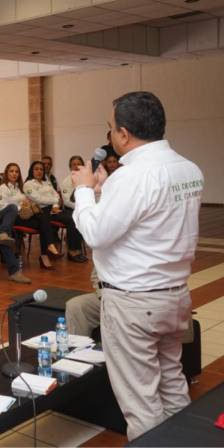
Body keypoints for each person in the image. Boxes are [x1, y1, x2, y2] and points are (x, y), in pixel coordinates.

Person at [71, 91, 203, 440]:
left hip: (134, 303)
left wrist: (84, 191)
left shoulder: (131, 177)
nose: (111, 134)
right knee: (172, 383)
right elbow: (145, 221)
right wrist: (105, 192)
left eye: (111, 127)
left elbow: (96, 233)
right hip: (174, 296)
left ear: (124, 133)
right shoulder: (188, 169)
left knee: (141, 403)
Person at [0, 162, 61, 270]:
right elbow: (3, 207)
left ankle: (46, 253)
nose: (14, 174)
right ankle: (48, 250)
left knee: (43, 221)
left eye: (17, 172)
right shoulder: (3, 188)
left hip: (24, 215)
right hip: (13, 217)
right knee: (44, 222)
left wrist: (27, 205)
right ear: (6, 173)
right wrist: (21, 207)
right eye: (11, 171)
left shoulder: (19, 187)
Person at [24, 161, 87, 263]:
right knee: (70, 218)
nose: (39, 171)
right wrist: (54, 201)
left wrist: (55, 205)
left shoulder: (47, 183)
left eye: (41, 169)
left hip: (53, 210)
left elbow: (56, 195)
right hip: (41, 211)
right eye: (36, 169)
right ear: (32, 171)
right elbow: (38, 199)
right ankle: (72, 252)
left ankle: (75, 249)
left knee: (75, 216)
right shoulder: (28, 184)